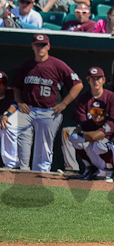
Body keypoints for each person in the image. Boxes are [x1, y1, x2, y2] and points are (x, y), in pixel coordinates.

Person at [13, 34, 83, 172]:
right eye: (38, 45)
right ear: (32, 46)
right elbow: (17, 86)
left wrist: (64, 104)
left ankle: (41, 173)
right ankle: (14, 166)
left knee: (43, 145)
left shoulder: (57, 64)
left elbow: (78, 84)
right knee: (8, 126)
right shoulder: (27, 65)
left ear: (48, 47)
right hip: (28, 110)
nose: (40, 48)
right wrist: (20, 102)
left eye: (43, 45)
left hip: (49, 111)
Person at [64, 67, 114, 179]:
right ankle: (90, 168)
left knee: (100, 142)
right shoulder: (83, 99)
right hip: (93, 145)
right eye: (93, 79)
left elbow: (113, 123)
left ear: (104, 80)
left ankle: (111, 169)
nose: (95, 81)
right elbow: (81, 124)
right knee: (73, 137)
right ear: (88, 80)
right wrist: (84, 133)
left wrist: (91, 133)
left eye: (98, 78)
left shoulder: (111, 97)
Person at [0, 70, 20, 168]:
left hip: (10, 118)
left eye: (1, 83)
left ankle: (11, 164)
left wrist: (6, 115)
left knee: (5, 125)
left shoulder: (11, 92)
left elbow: (15, 105)